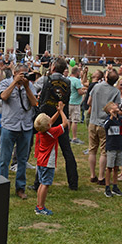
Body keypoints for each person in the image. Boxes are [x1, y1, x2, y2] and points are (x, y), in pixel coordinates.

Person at [33, 58, 78, 190]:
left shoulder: (45, 79)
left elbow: (34, 90)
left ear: (53, 67)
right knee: (67, 151)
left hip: (46, 119)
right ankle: (73, 183)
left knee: (43, 150)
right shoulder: (68, 81)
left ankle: (37, 184)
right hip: (61, 117)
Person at [0, 64, 38, 200]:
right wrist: (14, 83)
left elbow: (34, 103)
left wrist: (26, 87)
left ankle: (20, 188)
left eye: (26, 74)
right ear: (15, 72)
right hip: (9, 126)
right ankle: (2, 187)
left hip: (25, 126)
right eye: (22, 74)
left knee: (22, 159)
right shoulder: (5, 83)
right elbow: (3, 96)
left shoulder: (30, 85)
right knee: (4, 159)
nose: (25, 76)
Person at [87, 69, 121, 186]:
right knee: (103, 151)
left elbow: (89, 102)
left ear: (106, 77)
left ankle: (92, 175)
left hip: (93, 121)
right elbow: (117, 107)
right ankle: (101, 176)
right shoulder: (116, 91)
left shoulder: (96, 87)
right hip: (106, 123)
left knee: (92, 150)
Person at [33, 102, 67, 216]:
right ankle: (41, 208)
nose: (49, 117)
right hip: (48, 163)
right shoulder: (52, 132)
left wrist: (57, 112)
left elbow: (50, 122)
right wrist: (62, 111)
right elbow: (65, 123)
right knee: (45, 184)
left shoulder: (42, 131)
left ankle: (39, 206)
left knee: (42, 183)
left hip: (40, 162)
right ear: (47, 125)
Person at [103, 102, 122, 197]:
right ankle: (107, 187)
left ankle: (115, 186)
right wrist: (111, 117)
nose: (117, 106)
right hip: (111, 146)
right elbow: (105, 126)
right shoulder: (108, 119)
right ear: (109, 110)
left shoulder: (120, 119)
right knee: (109, 167)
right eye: (114, 106)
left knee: (116, 167)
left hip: (119, 146)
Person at [68, 66, 86, 144]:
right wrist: (85, 92)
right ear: (77, 73)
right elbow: (79, 92)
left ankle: (67, 136)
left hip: (69, 102)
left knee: (69, 120)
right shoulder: (76, 80)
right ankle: (74, 138)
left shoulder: (68, 79)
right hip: (75, 103)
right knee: (74, 121)